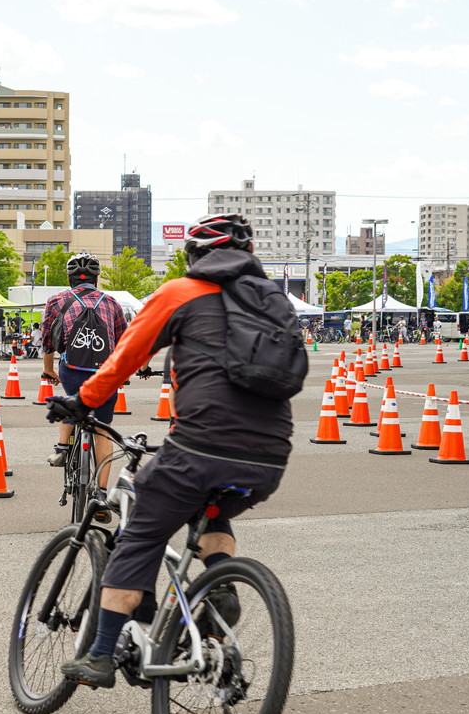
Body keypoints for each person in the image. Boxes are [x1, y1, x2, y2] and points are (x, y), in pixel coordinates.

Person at [49, 213, 293, 688]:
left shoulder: (181, 292)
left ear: (195, 256)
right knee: (211, 510)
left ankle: (99, 655)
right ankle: (220, 583)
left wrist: (81, 402)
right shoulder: (272, 302)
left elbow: (123, 360)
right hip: (270, 452)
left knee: (141, 530)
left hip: (202, 440)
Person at [41, 252, 128, 506]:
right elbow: (124, 342)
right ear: (96, 278)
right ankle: (101, 494)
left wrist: (49, 370)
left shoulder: (57, 300)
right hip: (106, 372)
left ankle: (61, 449)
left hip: (72, 369)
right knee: (102, 429)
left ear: (70, 278)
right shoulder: (112, 302)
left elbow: (47, 340)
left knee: (71, 399)